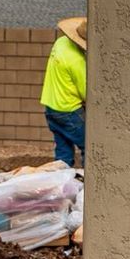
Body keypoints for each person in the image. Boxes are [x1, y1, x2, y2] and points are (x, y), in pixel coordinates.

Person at [40, 16, 88, 167]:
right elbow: (87, 93)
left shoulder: (60, 43)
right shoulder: (77, 62)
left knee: (63, 152)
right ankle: (92, 187)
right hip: (69, 110)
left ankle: (61, 184)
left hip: (51, 107)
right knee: (91, 147)